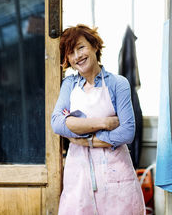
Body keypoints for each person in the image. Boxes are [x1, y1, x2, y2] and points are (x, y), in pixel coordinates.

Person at [51, 24, 145, 214]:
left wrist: (83, 138)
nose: (77, 56)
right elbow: (57, 124)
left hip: (115, 169)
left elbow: (127, 132)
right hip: (79, 171)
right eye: (71, 53)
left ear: (94, 46)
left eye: (81, 47)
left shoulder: (119, 83)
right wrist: (105, 123)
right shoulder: (69, 85)